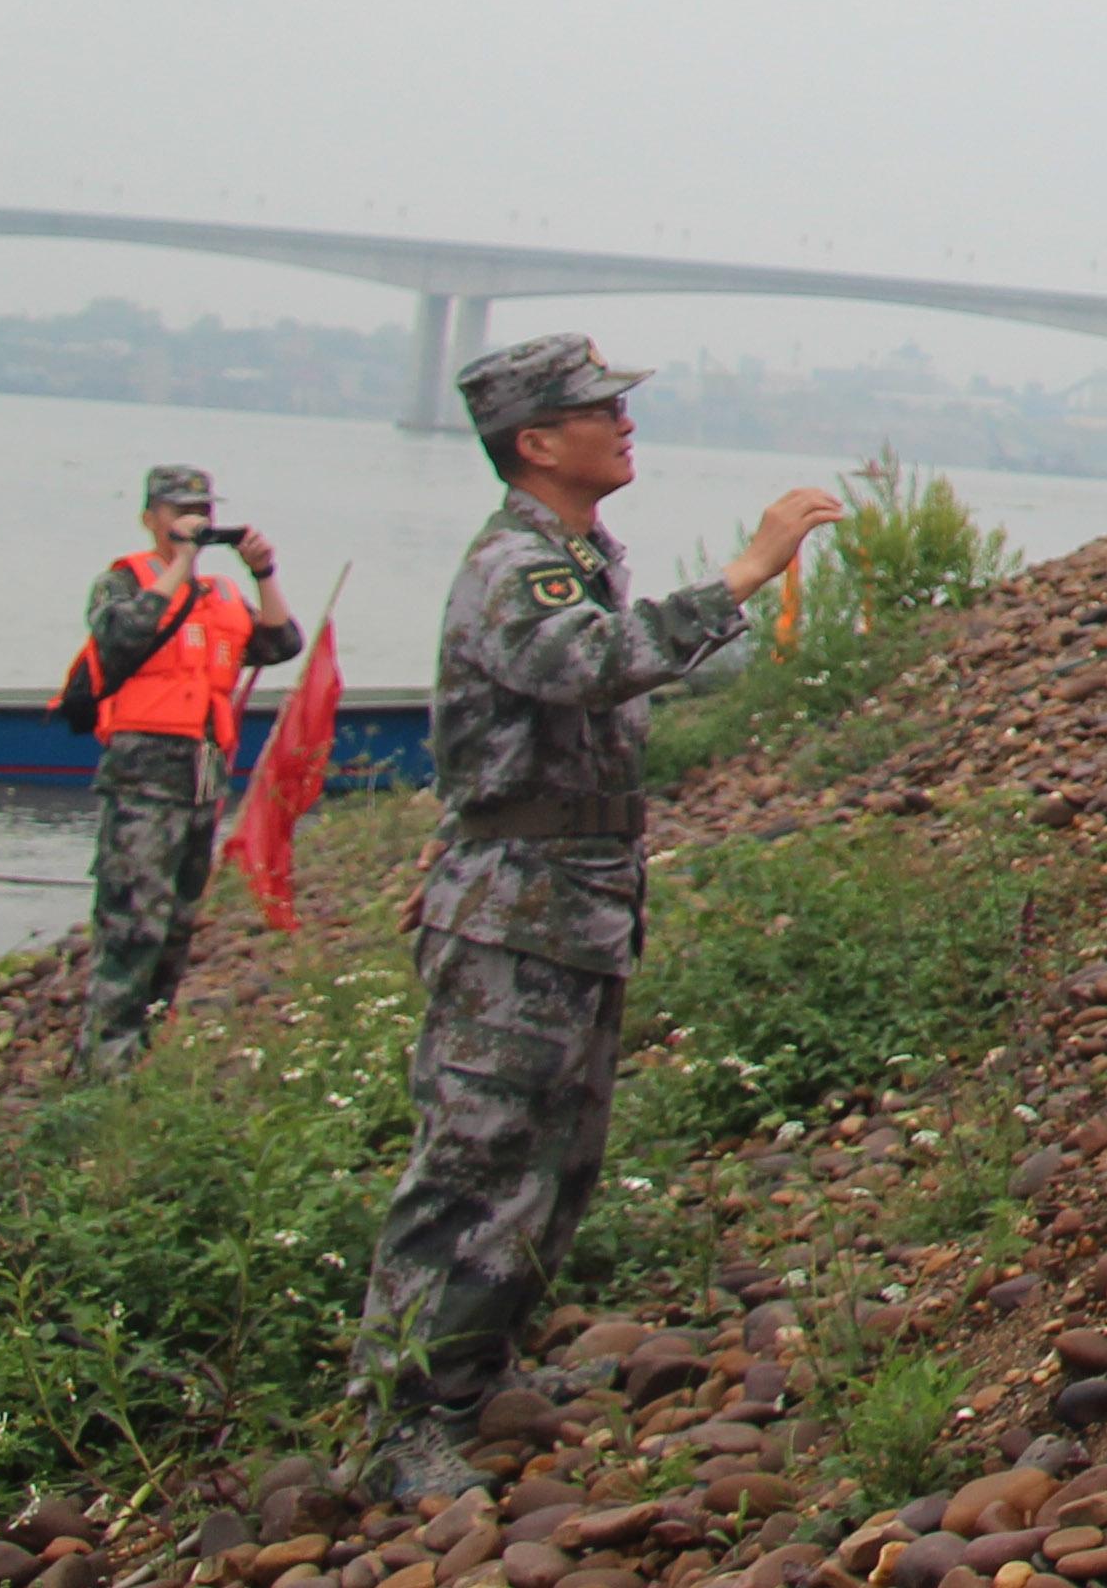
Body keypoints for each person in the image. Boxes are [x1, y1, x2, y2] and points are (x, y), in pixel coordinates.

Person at [355, 338, 838, 1501]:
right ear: (535, 442)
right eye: (599, 408)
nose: (624, 422)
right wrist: (746, 570)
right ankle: (396, 1426)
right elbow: (590, 665)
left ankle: (476, 1372)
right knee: (472, 1161)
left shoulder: (573, 551)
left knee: (556, 1160)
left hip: (566, 903)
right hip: (514, 912)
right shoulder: (518, 561)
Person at [71, 464, 302, 1071]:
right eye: (177, 511)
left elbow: (280, 644)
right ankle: (102, 1070)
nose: (191, 521)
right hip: (142, 781)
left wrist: (263, 573)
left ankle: (143, 1056)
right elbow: (120, 638)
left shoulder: (221, 597)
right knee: (131, 926)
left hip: (202, 780)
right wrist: (178, 562)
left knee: (175, 929)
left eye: (200, 510)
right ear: (151, 517)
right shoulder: (124, 582)